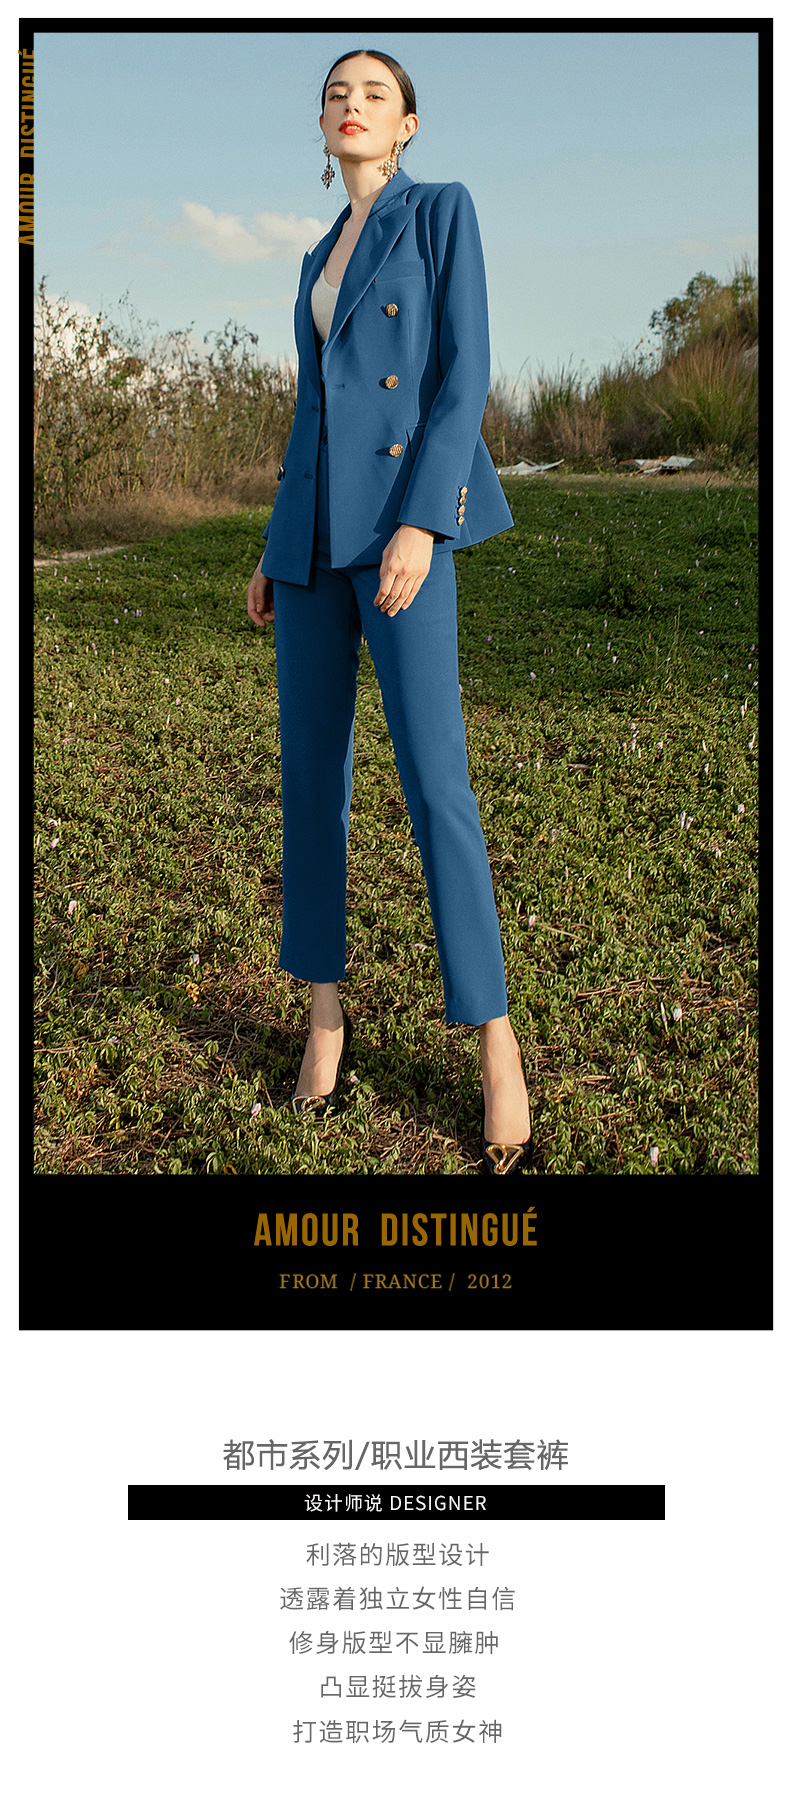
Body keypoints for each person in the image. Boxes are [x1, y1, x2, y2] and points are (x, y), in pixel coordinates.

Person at [246, 48, 533, 1175]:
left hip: (402, 535)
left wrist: (424, 521)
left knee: (436, 785)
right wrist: (275, 547)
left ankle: (496, 1041)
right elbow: (311, 411)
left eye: (373, 93)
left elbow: (464, 375)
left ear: (407, 123)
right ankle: (325, 1014)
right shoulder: (316, 255)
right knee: (310, 784)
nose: (350, 104)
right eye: (335, 93)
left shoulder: (440, 211)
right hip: (314, 549)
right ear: (321, 128)